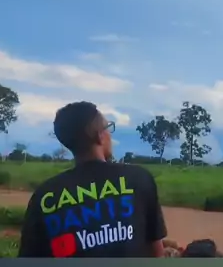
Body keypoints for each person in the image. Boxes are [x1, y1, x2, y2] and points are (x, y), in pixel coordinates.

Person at [18, 101, 167, 257]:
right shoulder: (138, 179)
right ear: (99, 136)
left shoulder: (44, 196)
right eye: (108, 128)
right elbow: (156, 252)